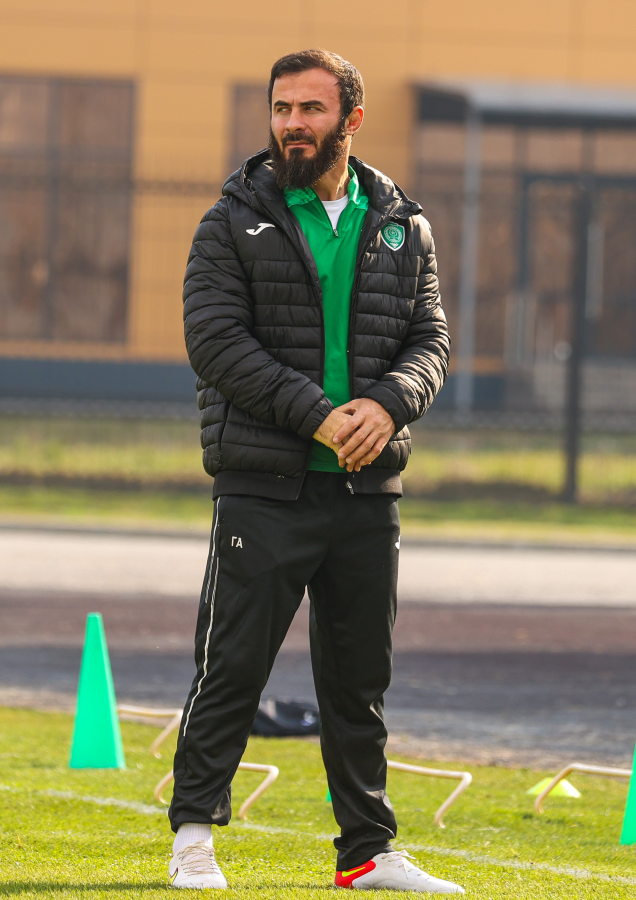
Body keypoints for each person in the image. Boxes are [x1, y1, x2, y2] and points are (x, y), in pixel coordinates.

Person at [168, 49, 458, 893]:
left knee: (359, 680)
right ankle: (194, 839)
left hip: (366, 490)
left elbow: (431, 340)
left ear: (351, 120)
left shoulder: (402, 223)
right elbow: (216, 343)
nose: (292, 123)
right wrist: (320, 415)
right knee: (232, 667)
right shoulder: (230, 222)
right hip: (265, 485)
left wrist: (389, 406)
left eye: (311, 109)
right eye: (282, 108)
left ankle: (367, 852)